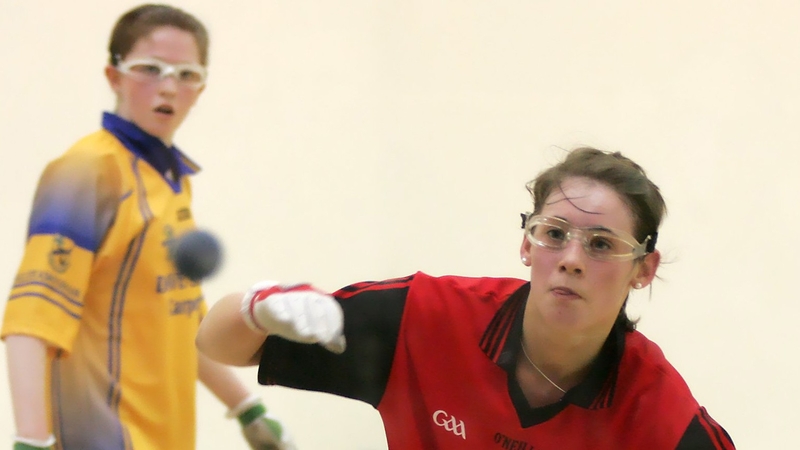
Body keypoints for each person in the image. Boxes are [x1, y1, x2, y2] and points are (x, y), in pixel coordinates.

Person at [196, 147, 736, 449]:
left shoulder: (659, 417)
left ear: (643, 270)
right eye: (554, 234)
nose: (571, 257)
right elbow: (219, 344)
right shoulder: (426, 317)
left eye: (600, 244)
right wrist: (257, 309)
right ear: (527, 244)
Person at [2, 4, 294, 450]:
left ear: (201, 88)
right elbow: (30, 319)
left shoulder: (170, 181)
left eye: (186, 74)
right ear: (113, 76)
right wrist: (30, 440)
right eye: (149, 69)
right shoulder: (86, 172)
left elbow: (181, 313)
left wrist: (246, 407)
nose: (168, 86)